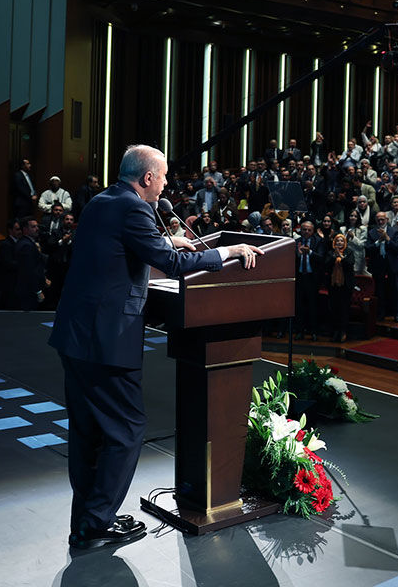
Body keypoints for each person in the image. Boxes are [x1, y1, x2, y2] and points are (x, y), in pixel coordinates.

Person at [50, 145, 261, 550]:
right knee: (126, 430)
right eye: (163, 176)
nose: (166, 184)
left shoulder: (102, 201)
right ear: (147, 178)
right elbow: (174, 265)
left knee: (88, 432)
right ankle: (95, 526)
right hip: (106, 341)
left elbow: (124, 253)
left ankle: (89, 518)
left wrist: (169, 242)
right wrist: (228, 252)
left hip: (76, 336)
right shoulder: (135, 209)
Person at [365, 211, 398, 322]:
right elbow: (368, 249)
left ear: (387, 219)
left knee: (396, 290)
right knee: (379, 290)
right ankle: (381, 313)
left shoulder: (394, 231)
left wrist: (387, 238)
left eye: (382, 219)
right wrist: (378, 242)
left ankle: (397, 314)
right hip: (378, 264)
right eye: (378, 220)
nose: (381, 221)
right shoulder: (372, 232)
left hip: (393, 263)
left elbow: (397, 248)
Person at [326, 232, 356, 342]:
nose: (339, 242)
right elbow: (326, 265)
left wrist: (341, 257)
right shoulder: (330, 253)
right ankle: (335, 331)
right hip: (333, 286)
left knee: (344, 309)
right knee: (334, 309)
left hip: (345, 286)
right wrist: (334, 256)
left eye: (341, 241)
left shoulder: (349, 252)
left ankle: (343, 331)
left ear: (345, 242)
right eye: (337, 240)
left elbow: (350, 264)